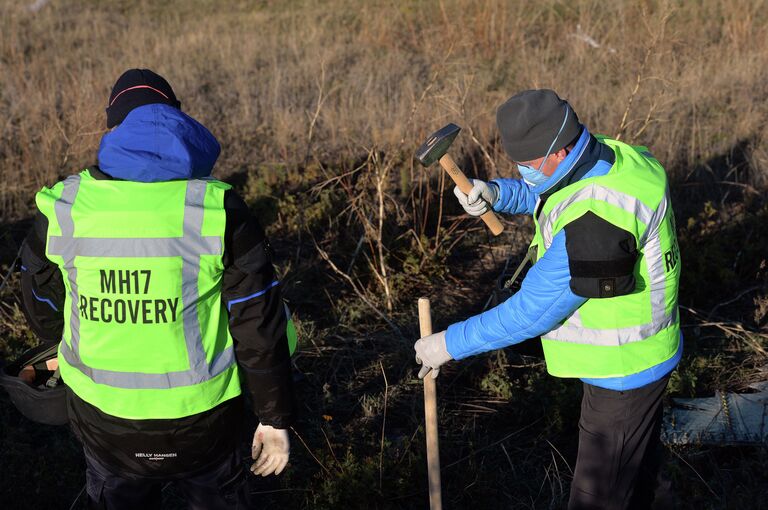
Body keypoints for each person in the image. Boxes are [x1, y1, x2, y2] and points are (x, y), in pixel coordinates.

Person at [19, 68, 297, 509]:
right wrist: (274, 418)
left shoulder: (64, 206)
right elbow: (258, 327)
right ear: (177, 118)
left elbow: (41, 304)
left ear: (114, 126)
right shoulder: (219, 211)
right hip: (204, 427)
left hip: (102, 424)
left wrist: (82, 328)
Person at [414, 89, 682, 509]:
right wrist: (496, 193)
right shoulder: (610, 156)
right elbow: (554, 192)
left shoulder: (600, 220)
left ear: (558, 151)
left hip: (624, 369)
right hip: (640, 358)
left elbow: (532, 311)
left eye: (525, 165)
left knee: (597, 497)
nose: (523, 172)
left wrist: (447, 344)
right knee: (642, 478)